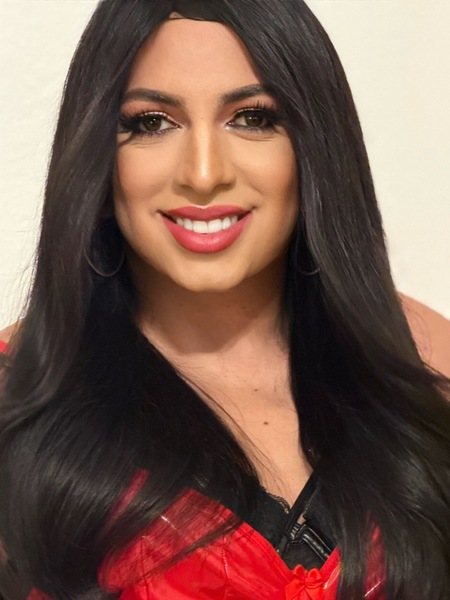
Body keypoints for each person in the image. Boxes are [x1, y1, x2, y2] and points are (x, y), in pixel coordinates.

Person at [0, 1, 449, 599]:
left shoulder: (425, 358)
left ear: (315, 149)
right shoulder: (20, 396)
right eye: (152, 122)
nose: (205, 173)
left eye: (252, 117)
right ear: (97, 162)